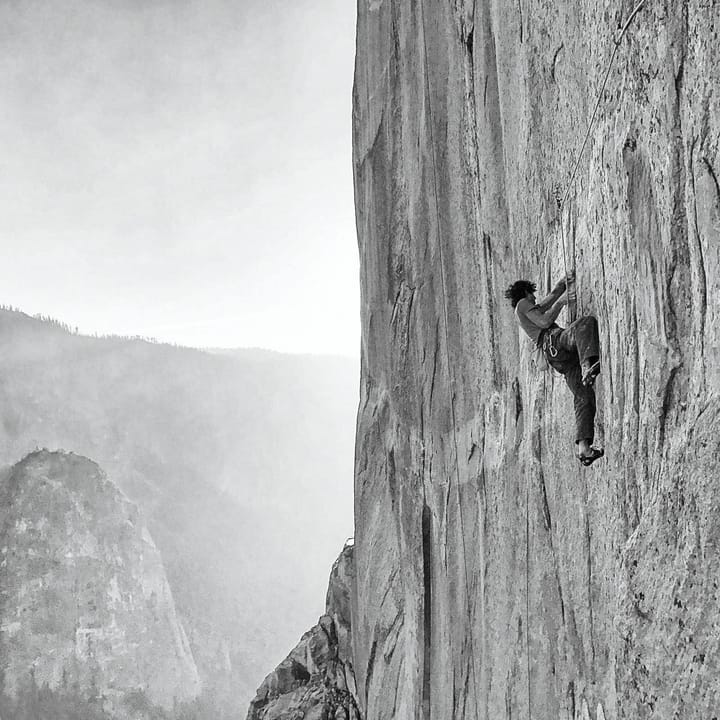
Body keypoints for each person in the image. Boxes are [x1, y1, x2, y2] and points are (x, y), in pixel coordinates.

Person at [504, 273, 604, 466]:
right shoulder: (522, 305)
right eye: (531, 295)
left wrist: (561, 286)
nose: (534, 298)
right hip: (555, 342)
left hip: (557, 359)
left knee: (583, 396)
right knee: (584, 324)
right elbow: (544, 321)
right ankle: (586, 366)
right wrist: (562, 303)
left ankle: (584, 447)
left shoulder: (527, 311)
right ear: (524, 294)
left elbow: (546, 302)